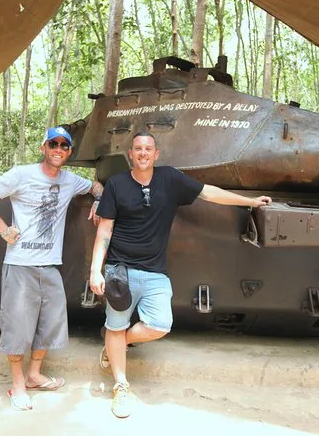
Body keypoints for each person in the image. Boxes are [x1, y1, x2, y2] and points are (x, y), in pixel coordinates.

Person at [89, 131, 272, 418]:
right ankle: (121, 385)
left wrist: (249, 202)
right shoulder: (117, 184)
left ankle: (116, 346)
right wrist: (95, 271)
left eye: (148, 148)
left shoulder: (170, 179)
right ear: (131, 154)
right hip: (119, 270)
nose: (143, 153)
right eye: (138, 149)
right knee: (115, 325)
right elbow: (105, 229)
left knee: (159, 325)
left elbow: (209, 192)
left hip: (154, 271)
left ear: (156, 154)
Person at [0, 126, 103, 411]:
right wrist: (3, 229)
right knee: (17, 328)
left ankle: (33, 375)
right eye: (53, 144)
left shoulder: (70, 180)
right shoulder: (22, 174)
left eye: (64, 146)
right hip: (21, 264)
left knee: (49, 324)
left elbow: (96, 187)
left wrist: (100, 200)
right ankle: (17, 385)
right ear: (43, 147)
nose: (58, 149)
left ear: (69, 152)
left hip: (50, 265)